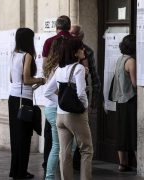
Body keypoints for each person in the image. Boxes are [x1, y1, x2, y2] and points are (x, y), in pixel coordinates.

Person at [44, 38, 93, 180]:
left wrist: (60, 103)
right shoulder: (79, 68)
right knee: (86, 150)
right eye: (81, 48)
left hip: (60, 116)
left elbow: (48, 92)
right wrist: (83, 107)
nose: (84, 50)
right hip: (75, 116)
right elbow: (81, 93)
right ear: (75, 52)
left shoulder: (59, 69)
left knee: (64, 153)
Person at [8, 27, 46, 179]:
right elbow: (26, 79)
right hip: (24, 101)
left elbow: (13, 79)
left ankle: (15, 171)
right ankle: (21, 172)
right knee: (24, 136)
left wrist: (35, 85)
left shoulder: (13, 54)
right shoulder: (28, 55)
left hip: (13, 99)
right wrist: (41, 80)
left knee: (16, 137)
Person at [41, 15, 73, 174]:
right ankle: (62, 173)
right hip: (64, 107)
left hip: (52, 106)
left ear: (56, 27)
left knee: (55, 143)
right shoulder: (73, 44)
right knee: (70, 145)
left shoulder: (48, 42)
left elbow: (44, 68)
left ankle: (50, 174)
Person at [69, 24, 101, 170]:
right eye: (72, 34)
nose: (73, 37)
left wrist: (93, 100)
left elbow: (94, 76)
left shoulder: (88, 52)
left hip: (81, 95)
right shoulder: (65, 50)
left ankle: (76, 160)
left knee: (81, 130)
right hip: (68, 95)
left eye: (76, 35)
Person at [110, 35, 137, 172]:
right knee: (133, 132)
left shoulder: (120, 59)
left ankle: (122, 163)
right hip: (130, 100)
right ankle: (140, 163)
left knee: (121, 131)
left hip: (120, 101)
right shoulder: (131, 61)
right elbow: (134, 83)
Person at [42, 37, 67, 180]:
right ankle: (51, 176)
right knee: (60, 146)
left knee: (57, 145)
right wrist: (61, 102)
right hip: (55, 109)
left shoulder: (51, 64)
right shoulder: (60, 67)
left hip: (50, 109)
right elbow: (53, 91)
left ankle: (50, 176)